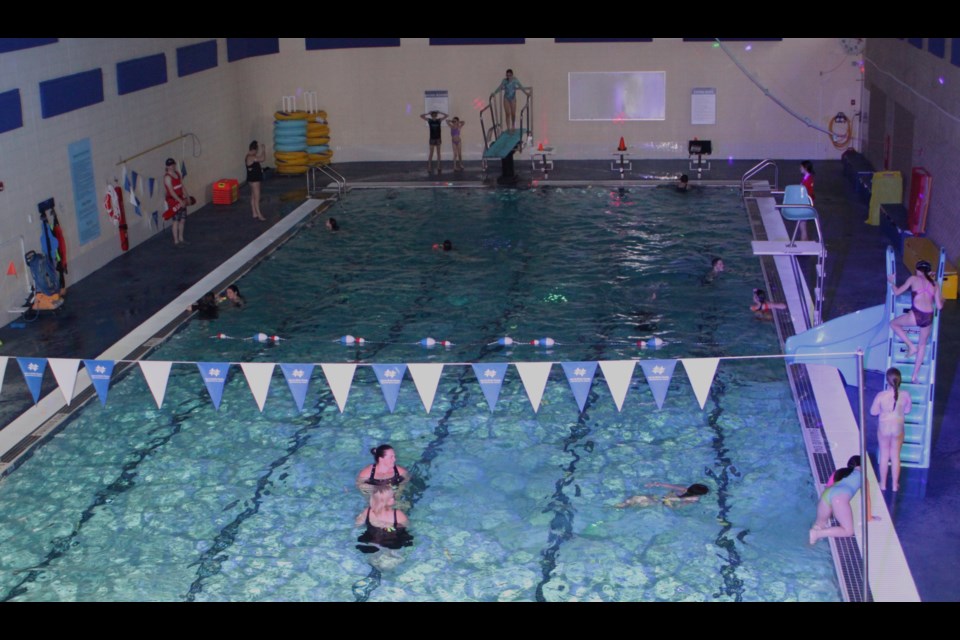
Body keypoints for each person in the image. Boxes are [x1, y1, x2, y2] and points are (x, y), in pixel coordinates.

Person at [888, 260, 944, 382]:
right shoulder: (935, 284)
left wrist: (891, 281)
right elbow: (939, 306)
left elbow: (897, 292)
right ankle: (915, 376)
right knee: (922, 345)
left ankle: (910, 346)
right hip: (928, 317)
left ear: (917, 270)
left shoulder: (913, 278)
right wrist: (942, 299)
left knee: (893, 323)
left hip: (916, 314)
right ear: (929, 271)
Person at [810, 455, 878, 545]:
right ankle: (818, 534)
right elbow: (866, 500)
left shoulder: (840, 472)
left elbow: (828, 485)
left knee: (819, 525)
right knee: (848, 531)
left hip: (826, 494)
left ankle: (809, 544)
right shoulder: (863, 478)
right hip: (839, 498)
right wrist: (869, 517)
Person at [870, 367, 912, 492]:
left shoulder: (881, 395)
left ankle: (883, 484)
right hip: (898, 428)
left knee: (884, 455)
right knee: (895, 456)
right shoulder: (906, 395)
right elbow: (907, 410)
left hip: (884, 428)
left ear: (887, 381)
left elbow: (873, 412)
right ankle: (894, 485)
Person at [355, 485, 412, 554]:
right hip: (391, 540)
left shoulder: (367, 511)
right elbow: (408, 526)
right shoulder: (397, 514)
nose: (393, 499)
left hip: (373, 537)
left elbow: (358, 524)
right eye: (391, 497)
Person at [615, 481, 709, 508]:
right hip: (665, 500)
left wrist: (668, 499)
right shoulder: (685, 490)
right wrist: (655, 484)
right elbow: (669, 486)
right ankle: (620, 506)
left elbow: (680, 501)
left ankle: (619, 507)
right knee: (637, 498)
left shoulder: (693, 498)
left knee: (639, 499)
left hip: (668, 504)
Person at [163, 158, 191, 246]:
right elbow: (171, 191)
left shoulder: (178, 174)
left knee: (182, 219)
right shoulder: (167, 177)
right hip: (173, 200)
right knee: (176, 220)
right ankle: (176, 241)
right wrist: (179, 201)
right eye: (171, 165)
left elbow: (182, 186)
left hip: (181, 198)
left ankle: (181, 238)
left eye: (173, 164)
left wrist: (187, 197)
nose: (172, 166)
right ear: (167, 167)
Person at [420, 110, 448, 175]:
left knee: (438, 153)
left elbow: (446, 116)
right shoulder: (430, 121)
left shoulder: (439, 120)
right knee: (431, 153)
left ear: (436, 116)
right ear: (431, 116)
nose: (434, 117)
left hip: (438, 139)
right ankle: (429, 167)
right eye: (433, 115)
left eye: (435, 115)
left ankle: (438, 166)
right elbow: (421, 116)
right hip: (432, 139)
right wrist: (428, 113)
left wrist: (440, 112)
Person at [246, 140, 267, 221]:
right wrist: (264, 150)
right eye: (257, 150)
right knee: (257, 198)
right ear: (255, 149)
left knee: (253, 197)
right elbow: (262, 159)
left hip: (251, 180)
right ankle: (259, 215)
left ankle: (254, 213)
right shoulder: (251, 157)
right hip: (254, 181)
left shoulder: (249, 156)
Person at [798, 160, 815, 241]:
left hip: (805, 204)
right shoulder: (806, 178)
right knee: (802, 224)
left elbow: (809, 193)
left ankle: (803, 242)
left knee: (802, 225)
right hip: (804, 203)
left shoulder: (808, 180)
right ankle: (806, 241)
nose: (800, 168)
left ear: (805, 168)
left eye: (801, 167)